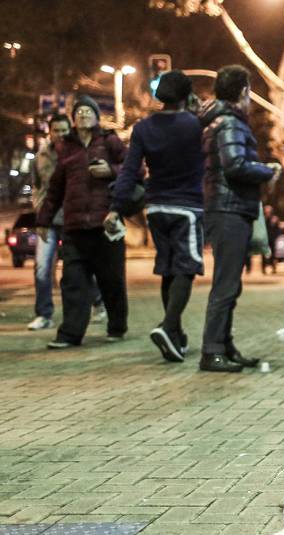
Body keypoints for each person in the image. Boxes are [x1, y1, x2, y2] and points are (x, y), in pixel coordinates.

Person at [109, 70, 204, 363]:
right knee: (186, 269)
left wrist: (116, 207)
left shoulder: (143, 128)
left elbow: (128, 172)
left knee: (168, 269)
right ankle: (168, 325)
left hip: (156, 208)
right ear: (187, 95)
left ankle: (175, 338)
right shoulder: (195, 125)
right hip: (186, 207)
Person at [199, 65, 281, 372]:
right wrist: (267, 171)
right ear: (244, 91)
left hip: (229, 207)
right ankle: (212, 350)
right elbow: (234, 165)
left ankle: (224, 344)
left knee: (231, 283)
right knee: (226, 283)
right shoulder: (230, 123)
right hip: (228, 208)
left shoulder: (222, 121)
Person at [36, 96, 128, 349]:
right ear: (73, 119)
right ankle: (70, 333)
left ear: (97, 116)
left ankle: (117, 325)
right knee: (73, 281)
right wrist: (43, 220)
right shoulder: (67, 148)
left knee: (111, 280)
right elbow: (54, 188)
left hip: (106, 224)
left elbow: (133, 169)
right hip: (75, 226)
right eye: (79, 112)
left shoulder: (109, 141)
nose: (84, 115)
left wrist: (111, 170)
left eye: (88, 111)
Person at [27, 114, 105, 331]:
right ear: (49, 132)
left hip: (72, 218)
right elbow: (36, 185)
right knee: (42, 267)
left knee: (82, 266)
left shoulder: (76, 151)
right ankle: (44, 314)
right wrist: (38, 207)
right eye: (56, 131)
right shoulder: (40, 157)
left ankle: (98, 303)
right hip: (49, 220)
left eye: (63, 130)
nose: (60, 134)